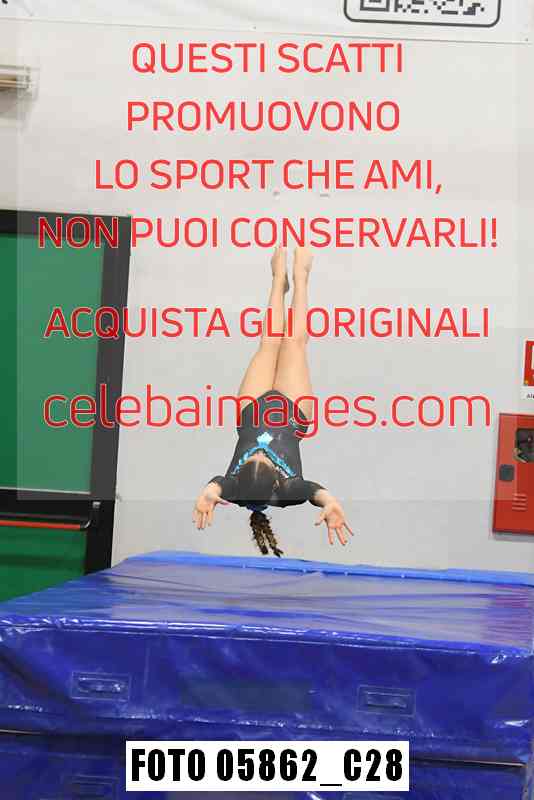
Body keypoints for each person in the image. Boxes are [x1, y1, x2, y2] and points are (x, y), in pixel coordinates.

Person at [193, 246, 353, 556]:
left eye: (252, 458)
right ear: (277, 483)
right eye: (263, 460)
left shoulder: (233, 486)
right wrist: (331, 502)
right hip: (292, 412)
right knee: (293, 342)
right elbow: (316, 492)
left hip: (251, 411)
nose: (259, 453)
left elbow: (216, 484)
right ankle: (301, 276)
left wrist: (208, 494)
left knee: (268, 342)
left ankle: (278, 281)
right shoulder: (290, 489)